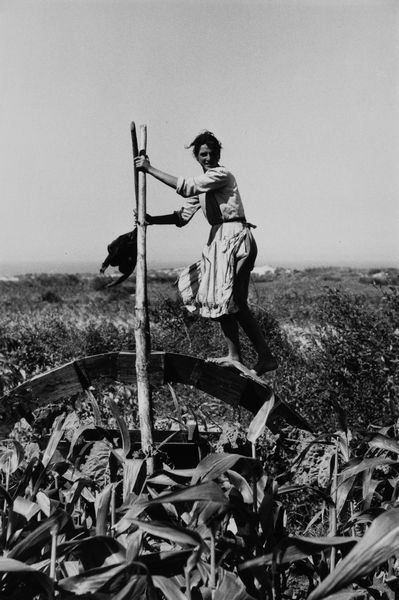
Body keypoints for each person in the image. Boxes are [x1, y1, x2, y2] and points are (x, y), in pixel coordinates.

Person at [134, 130, 277, 376]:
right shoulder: (202, 187)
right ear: (197, 158)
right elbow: (182, 217)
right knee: (216, 297)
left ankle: (262, 357)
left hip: (234, 238)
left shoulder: (221, 175)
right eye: (203, 155)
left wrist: (149, 169)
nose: (208, 158)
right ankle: (238, 356)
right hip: (218, 241)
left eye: (211, 153)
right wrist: (150, 220)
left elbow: (186, 187)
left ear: (218, 154)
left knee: (233, 302)